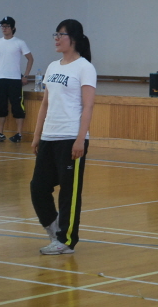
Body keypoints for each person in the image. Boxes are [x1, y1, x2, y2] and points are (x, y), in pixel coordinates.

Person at [30, 19, 97, 255]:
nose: (56, 39)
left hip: (71, 137)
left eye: (61, 35)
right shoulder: (52, 67)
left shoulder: (84, 68)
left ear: (74, 39)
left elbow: (88, 106)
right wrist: (37, 135)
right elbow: (45, 104)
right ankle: (56, 231)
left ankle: (66, 241)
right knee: (38, 188)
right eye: (55, 34)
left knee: (69, 193)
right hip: (49, 136)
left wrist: (80, 139)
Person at [0, 16, 34, 143]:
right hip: (0, 79)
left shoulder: (19, 42)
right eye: (2, 26)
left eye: (7, 26)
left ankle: (19, 133)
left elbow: (30, 59)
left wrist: (25, 76)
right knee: (0, 106)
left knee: (17, 106)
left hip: (14, 79)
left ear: (13, 28)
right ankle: (0, 132)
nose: (4, 28)